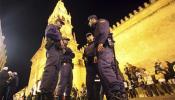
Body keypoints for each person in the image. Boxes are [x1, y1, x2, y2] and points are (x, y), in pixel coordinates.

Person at [88, 15, 127, 100]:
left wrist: (101, 42)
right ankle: (122, 93)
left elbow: (105, 31)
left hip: (105, 49)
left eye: (89, 21)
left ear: (92, 19)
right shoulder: (96, 28)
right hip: (105, 50)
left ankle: (116, 93)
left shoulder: (101, 22)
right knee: (113, 70)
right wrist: (95, 55)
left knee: (105, 68)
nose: (89, 23)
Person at [39, 17, 65, 100]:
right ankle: (44, 91)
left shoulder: (59, 32)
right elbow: (48, 33)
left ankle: (50, 91)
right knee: (50, 68)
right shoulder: (51, 26)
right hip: (53, 50)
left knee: (56, 72)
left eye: (62, 23)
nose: (61, 24)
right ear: (56, 21)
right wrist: (60, 39)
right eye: (60, 23)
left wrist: (63, 48)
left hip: (58, 53)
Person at [83, 33, 100, 100]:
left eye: (90, 36)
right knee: (89, 84)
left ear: (93, 37)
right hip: (90, 66)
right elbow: (84, 56)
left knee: (101, 82)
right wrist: (84, 58)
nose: (89, 38)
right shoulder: (86, 48)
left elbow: (99, 50)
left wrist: (96, 55)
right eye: (87, 37)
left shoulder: (96, 43)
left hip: (97, 64)